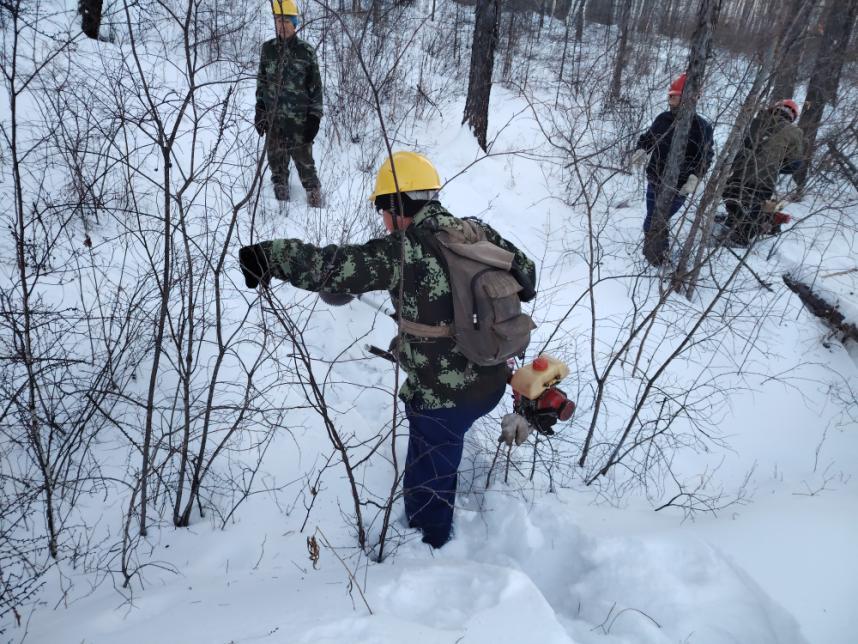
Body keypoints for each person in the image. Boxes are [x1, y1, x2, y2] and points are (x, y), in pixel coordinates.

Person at [239, 151, 537, 548]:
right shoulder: (475, 231)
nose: (382, 218)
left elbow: (330, 267)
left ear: (397, 206)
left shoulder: (405, 251)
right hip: (493, 375)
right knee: (444, 446)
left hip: (444, 398)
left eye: (382, 208)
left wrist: (268, 255)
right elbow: (527, 275)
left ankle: (429, 546)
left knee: (429, 476)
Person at [631, 73, 714, 265]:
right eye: (670, 96)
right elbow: (649, 138)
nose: (669, 100)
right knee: (655, 219)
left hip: (679, 186)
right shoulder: (663, 118)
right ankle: (657, 255)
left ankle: (656, 258)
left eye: (674, 96)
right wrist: (642, 149)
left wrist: (695, 178)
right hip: (655, 179)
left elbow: (706, 157)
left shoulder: (702, 127)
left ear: (686, 97)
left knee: (656, 221)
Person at [255, 0, 324, 207]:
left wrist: (314, 118)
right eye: (278, 20)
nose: (282, 25)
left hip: (299, 122)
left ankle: (314, 197)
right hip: (274, 119)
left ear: (294, 23)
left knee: (305, 163)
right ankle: (281, 195)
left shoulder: (306, 51)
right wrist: (260, 109)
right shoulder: (268, 49)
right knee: (276, 161)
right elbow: (262, 82)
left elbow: (316, 88)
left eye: (286, 21)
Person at [721, 99, 804, 246]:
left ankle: (731, 222)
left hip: (739, 173)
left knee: (734, 198)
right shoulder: (794, 132)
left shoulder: (756, 121)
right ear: (792, 116)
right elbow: (794, 164)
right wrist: (776, 165)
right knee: (753, 209)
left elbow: (738, 145)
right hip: (765, 179)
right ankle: (740, 239)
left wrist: (729, 166)